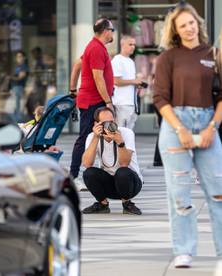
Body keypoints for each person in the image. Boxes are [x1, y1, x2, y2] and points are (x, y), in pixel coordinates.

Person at [153, 3, 222, 268]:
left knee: (218, 192)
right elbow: (159, 97)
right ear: (175, 30)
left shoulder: (213, 55)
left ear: (198, 23)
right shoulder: (168, 58)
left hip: (207, 125)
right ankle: (183, 251)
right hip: (175, 126)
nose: (189, 28)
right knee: (180, 194)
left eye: (191, 22)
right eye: (183, 25)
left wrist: (211, 129)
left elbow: (221, 97)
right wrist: (180, 129)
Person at [69, 18, 115, 179]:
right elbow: (98, 78)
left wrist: (73, 88)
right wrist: (108, 101)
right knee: (85, 137)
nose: (113, 32)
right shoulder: (96, 48)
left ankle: (102, 172)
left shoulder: (96, 46)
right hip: (93, 102)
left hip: (94, 100)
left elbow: (77, 65)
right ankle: (73, 177)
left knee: (99, 135)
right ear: (106, 31)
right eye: (112, 29)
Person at [81, 106, 143, 215]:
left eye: (111, 121)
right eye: (105, 123)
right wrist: (96, 137)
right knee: (89, 173)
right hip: (110, 185)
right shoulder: (92, 136)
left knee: (122, 172)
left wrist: (120, 142)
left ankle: (127, 204)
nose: (109, 125)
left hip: (131, 184)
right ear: (97, 124)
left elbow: (124, 163)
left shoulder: (126, 133)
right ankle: (102, 204)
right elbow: (86, 163)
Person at [111, 35, 144, 129]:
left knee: (128, 133)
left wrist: (137, 84)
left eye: (134, 45)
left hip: (132, 103)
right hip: (121, 103)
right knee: (120, 132)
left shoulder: (131, 61)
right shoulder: (117, 60)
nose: (133, 47)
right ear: (122, 44)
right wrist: (134, 81)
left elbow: (129, 82)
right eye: (130, 44)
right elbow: (116, 81)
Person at [11, 50, 29, 120]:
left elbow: (21, 77)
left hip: (19, 87)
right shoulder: (18, 66)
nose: (19, 58)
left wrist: (11, 78)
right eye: (17, 57)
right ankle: (17, 119)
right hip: (15, 87)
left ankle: (19, 120)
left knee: (18, 105)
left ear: (24, 57)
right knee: (16, 105)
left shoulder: (23, 66)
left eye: (20, 56)